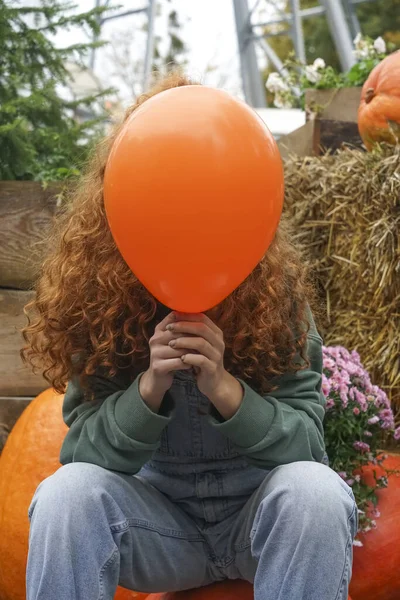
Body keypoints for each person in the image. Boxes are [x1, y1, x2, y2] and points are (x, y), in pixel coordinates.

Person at [22, 73, 357, 600]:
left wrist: (225, 388)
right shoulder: (99, 300)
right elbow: (81, 453)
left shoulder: (276, 298)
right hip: (159, 530)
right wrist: (149, 387)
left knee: (319, 493)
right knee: (66, 495)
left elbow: (308, 447)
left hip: (257, 524)